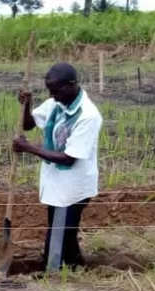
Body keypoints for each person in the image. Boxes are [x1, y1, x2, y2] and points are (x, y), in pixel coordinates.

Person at [13, 62, 103, 272]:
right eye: (49, 90)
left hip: (72, 186)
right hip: (56, 182)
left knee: (58, 233)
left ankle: (52, 274)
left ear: (71, 85)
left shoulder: (88, 115)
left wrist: (29, 148)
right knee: (65, 231)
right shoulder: (57, 103)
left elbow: (69, 158)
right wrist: (27, 104)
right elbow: (29, 124)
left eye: (55, 90)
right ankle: (77, 266)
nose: (52, 95)